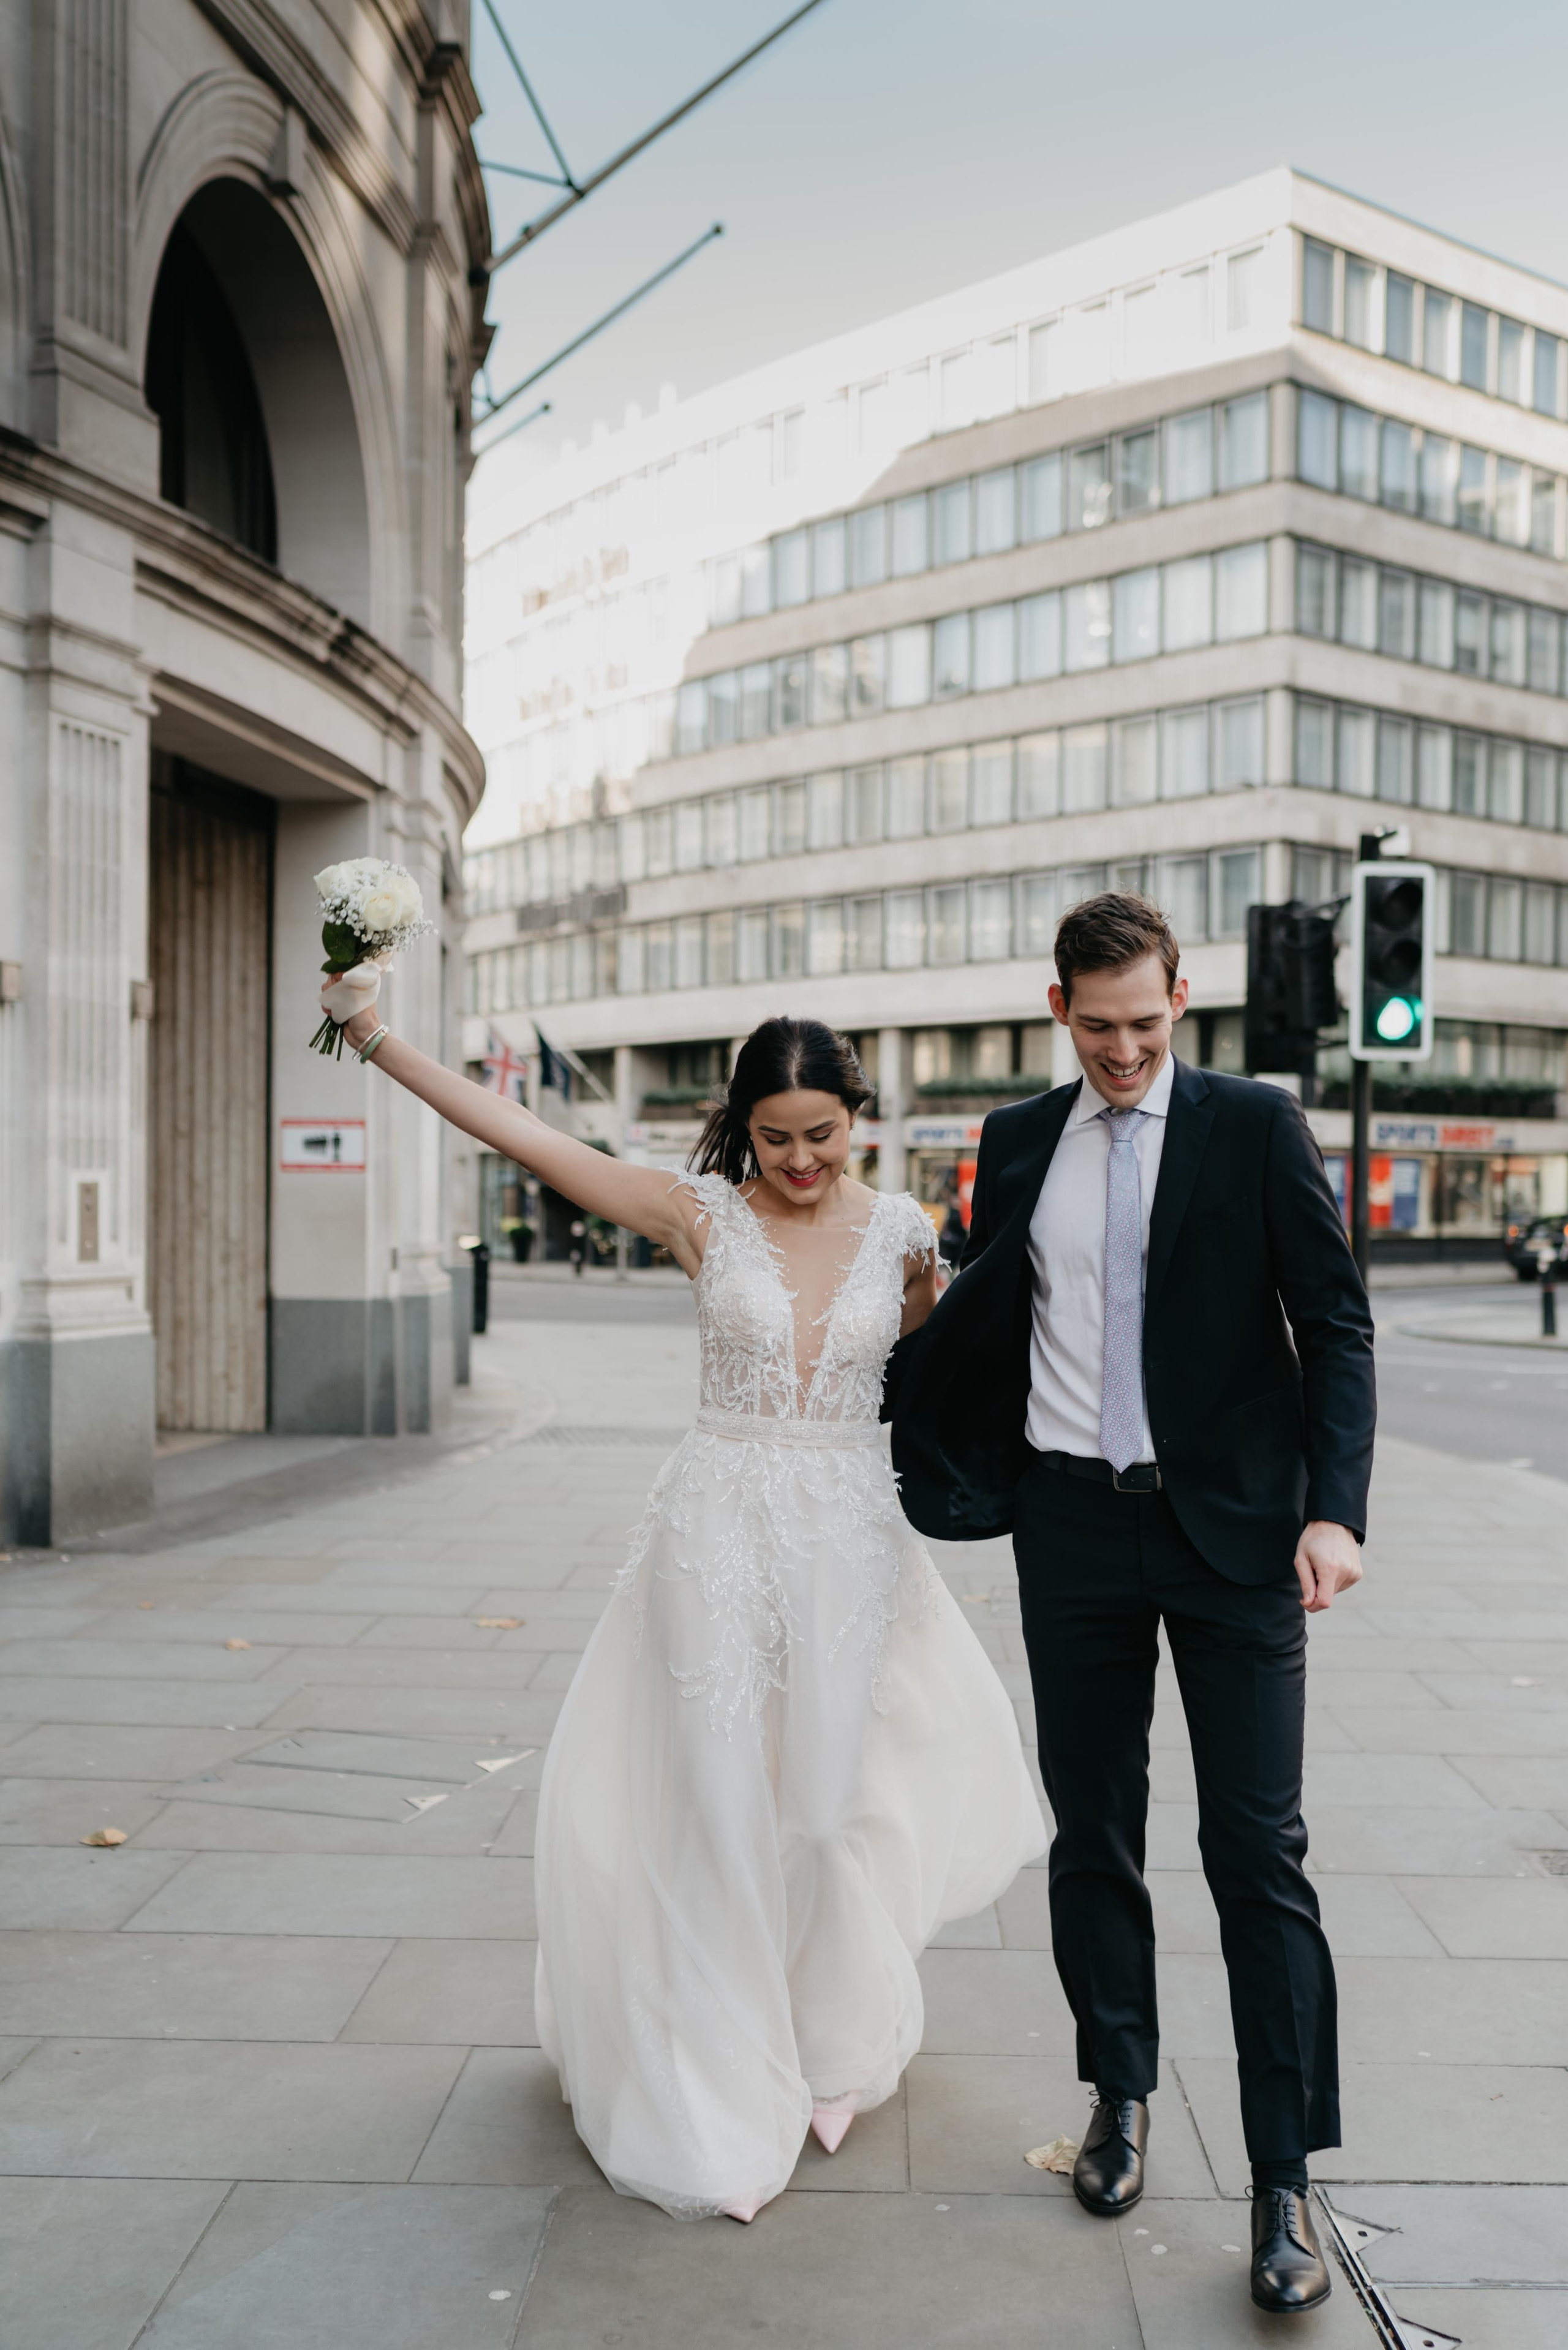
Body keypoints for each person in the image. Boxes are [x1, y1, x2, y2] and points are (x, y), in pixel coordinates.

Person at [319, 968, 1045, 2221]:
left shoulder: (906, 1232)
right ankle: (716, 2081)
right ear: (741, 1126)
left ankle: (826, 2036)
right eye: (774, 1136)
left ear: (854, 1118)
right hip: (712, 1527)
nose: (799, 1159)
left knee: (821, 1815)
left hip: (849, 1537)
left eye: (820, 1134)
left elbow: (952, 1358)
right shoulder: (694, 1212)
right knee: (717, 1807)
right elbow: (527, 1134)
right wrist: (377, 1035)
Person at [886, 892, 1375, 2317]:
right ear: (1058, 1009)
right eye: (1095, 1027)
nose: (1121, 1051)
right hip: (1070, 1529)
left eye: (1144, 1024)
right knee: (1091, 1837)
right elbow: (992, 1308)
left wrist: (1332, 1507)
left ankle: (1282, 2174)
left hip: (1232, 1536)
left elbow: (1331, 1317)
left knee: (1254, 1851)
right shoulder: (1016, 1137)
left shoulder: (1254, 1124)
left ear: (1181, 996)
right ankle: (1116, 2092)